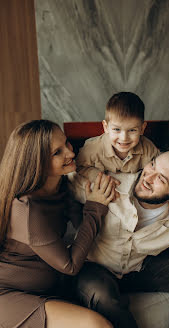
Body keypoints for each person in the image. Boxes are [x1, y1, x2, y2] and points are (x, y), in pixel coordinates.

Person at [71, 145, 169, 328]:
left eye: (161, 179)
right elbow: (67, 182)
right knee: (102, 295)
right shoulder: (112, 183)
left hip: (136, 269)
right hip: (94, 268)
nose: (147, 178)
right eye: (153, 165)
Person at [0, 120, 115, 328]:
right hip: (9, 295)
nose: (71, 153)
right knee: (96, 325)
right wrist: (95, 207)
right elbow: (70, 265)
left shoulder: (61, 186)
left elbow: (83, 229)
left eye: (67, 144)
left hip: (51, 283)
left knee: (103, 295)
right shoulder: (25, 209)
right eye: (57, 152)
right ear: (36, 162)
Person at [76, 91, 160, 182]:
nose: (124, 138)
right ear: (106, 127)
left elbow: (160, 168)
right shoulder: (92, 149)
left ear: (142, 129)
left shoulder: (148, 149)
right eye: (116, 129)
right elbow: (78, 166)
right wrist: (98, 177)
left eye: (132, 130)